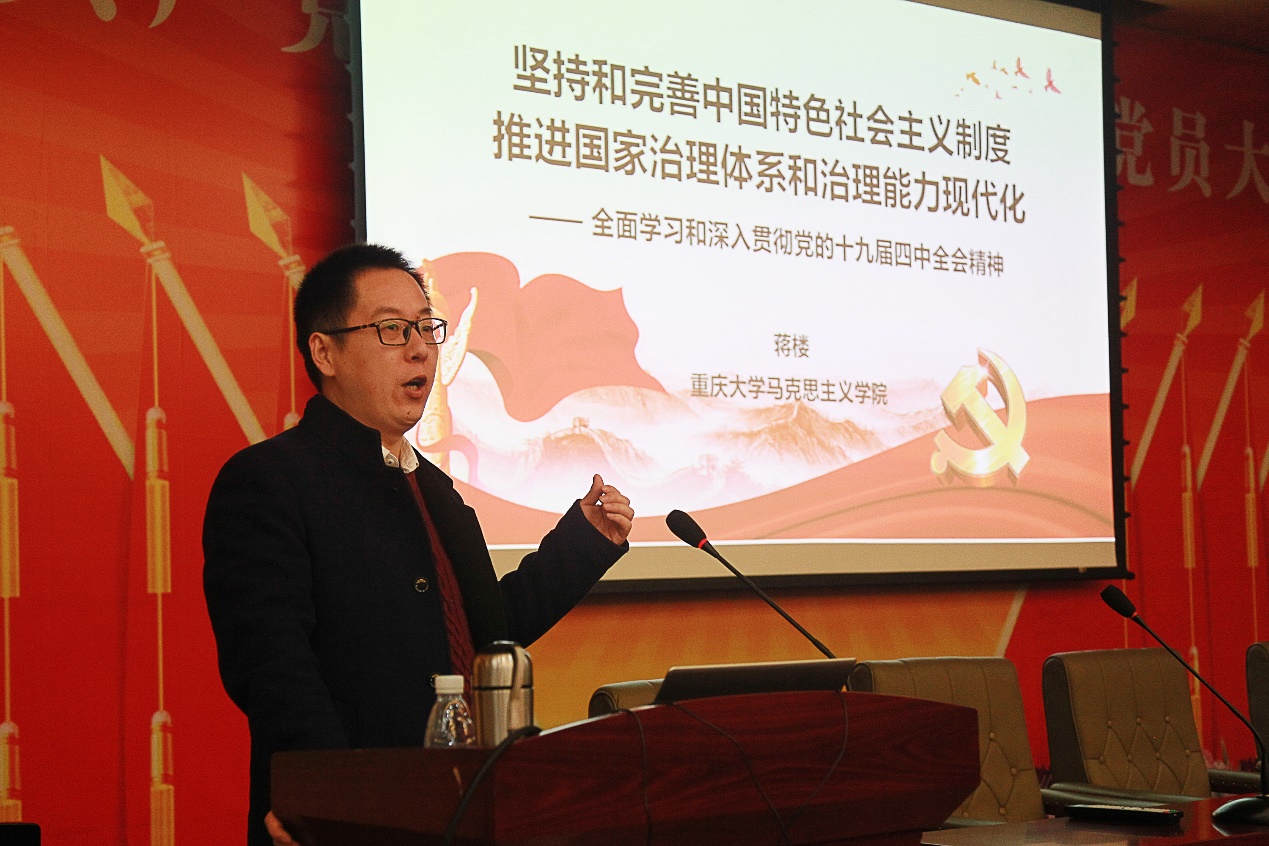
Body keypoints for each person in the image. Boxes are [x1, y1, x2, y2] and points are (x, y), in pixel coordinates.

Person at [202, 243, 633, 846]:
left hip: (456, 808)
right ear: (324, 352)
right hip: (349, 819)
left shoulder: (432, 487)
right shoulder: (269, 480)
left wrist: (582, 543)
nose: (421, 349)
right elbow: (274, 667)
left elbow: (486, 630)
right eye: (391, 330)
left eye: (427, 327)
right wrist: (332, 799)